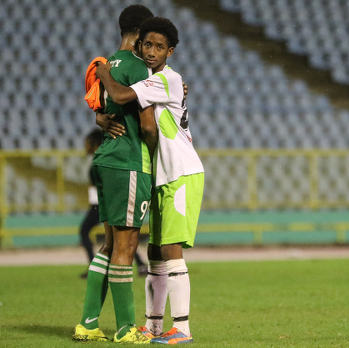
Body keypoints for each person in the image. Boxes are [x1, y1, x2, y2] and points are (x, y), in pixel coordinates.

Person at [96, 17, 204, 344]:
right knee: (155, 251)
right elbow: (121, 106)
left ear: (170, 51)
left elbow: (120, 96)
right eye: (148, 45)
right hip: (162, 175)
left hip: (180, 172)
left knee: (170, 249)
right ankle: (153, 325)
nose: (152, 51)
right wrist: (101, 117)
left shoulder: (165, 79)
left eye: (159, 47)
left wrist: (102, 71)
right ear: (139, 46)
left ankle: (182, 328)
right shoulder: (153, 79)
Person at [73, 4, 157, 344]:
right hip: (128, 161)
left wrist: (102, 120)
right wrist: (154, 149)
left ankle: (88, 323)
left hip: (105, 159)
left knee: (108, 245)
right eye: (149, 39)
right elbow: (148, 125)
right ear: (139, 35)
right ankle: (126, 329)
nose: (151, 46)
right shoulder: (139, 68)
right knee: (126, 246)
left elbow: (99, 109)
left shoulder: (106, 63)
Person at [79, 128, 148, 279]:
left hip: (101, 205)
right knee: (119, 236)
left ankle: (95, 267)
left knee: (97, 233)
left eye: (87, 143)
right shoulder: (104, 158)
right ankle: (141, 264)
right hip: (104, 204)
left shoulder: (99, 161)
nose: (85, 146)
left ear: (94, 142)